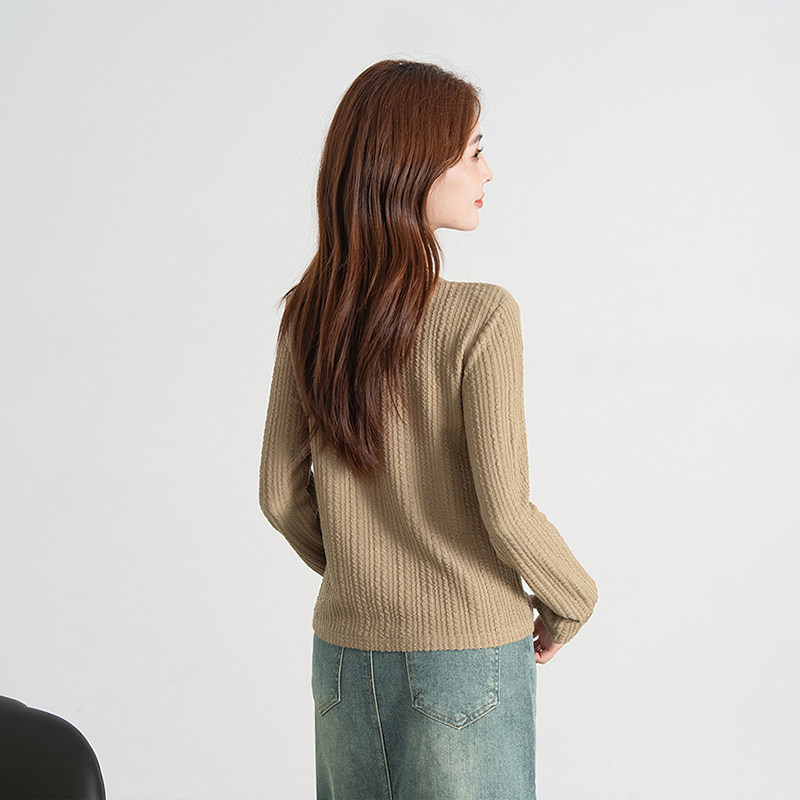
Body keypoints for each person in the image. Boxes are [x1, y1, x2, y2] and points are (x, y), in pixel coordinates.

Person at [259, 58, 598, 800]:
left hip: (344, 656)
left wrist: (367, 570)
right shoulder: (481, 315)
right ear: (413, 165)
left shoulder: (309, 313)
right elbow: (505, 511)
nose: (488, 171)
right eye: (473, 151)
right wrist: (574, 597)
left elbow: (280, 497)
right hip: (466, 654)